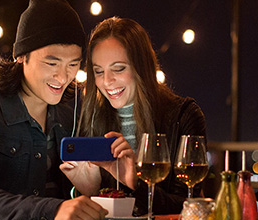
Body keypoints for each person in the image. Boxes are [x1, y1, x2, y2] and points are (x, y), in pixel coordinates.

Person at [0, 0, 108, 219]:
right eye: (52, 63)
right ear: (21, 57)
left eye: (73, 65)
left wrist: (89, 190)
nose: (63, 77)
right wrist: (53, 209)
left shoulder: (69, 118)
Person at [61, 17, 208, 215]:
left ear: (142, 67)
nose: (107, 81)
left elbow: (189, 207)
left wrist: (135, 183)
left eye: (119, 68)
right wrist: (88, 191)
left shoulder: (184, 115)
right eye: (98, 71)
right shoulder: (92, 118)